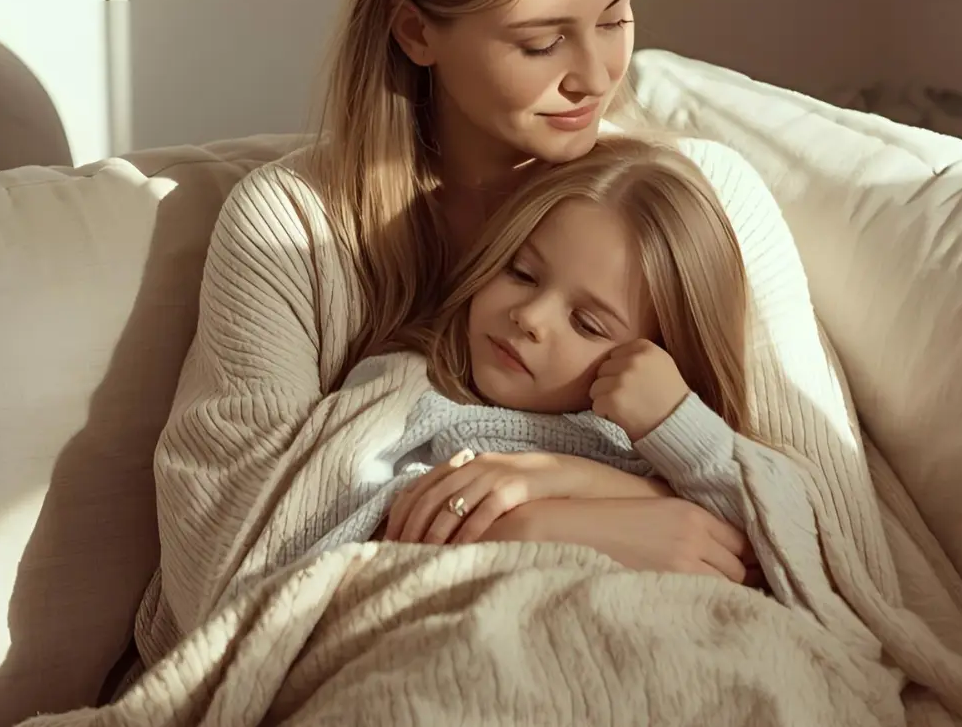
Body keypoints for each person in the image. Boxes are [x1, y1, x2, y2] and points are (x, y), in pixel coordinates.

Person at [137, 0, 847, 664]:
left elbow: (827, 540)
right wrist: (548, 522)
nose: (594, 74)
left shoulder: (705, 197)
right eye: (541, 42)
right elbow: (222, 562)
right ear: (415, 33)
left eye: (615, 19)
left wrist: (590, 485)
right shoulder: (291, 227)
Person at [296, 137, 765, 584]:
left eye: (587, 323)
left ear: (660, 354)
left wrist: (674, 421)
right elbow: (330, 545)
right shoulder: (409, 395)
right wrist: (542, 524)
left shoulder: (660, 448)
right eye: (521, 273)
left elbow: (776, 542)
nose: (530, 318)